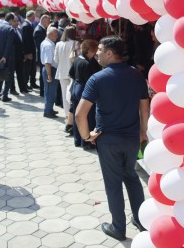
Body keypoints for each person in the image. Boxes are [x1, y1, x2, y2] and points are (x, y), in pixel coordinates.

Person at [75, 36, 149, 240]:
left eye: (99, 49)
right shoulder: (136, 75)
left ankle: (118, 227)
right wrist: (143, 131)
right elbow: (144, 106)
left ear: (109, 53)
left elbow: (80, 114)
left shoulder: (97, 78)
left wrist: (85, 136)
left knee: (113, 183)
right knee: (132, 178)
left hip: (108, 140)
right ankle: (142, 220)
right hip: (132, 138)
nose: (96, 52)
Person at [69, 39, 100, 148]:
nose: (95, 54)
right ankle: (86, 142)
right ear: (90, 51)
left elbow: (71, 73)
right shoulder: (88, 63)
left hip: (76, 88)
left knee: (77, 115)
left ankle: (78, 140)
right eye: (94, 51)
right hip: (85, 90)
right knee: (87, 116)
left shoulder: (77, 60)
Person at [54, 25, 79, 132]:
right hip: (72, 72)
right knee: (72, 96)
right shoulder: (75, 43)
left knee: (65, 96)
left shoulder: (58, 44)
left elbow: (55, 60)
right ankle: (72, 117)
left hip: (61, 72)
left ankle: (66, 116)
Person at [0, 13, 20, 102]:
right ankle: (5, 95)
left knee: (0, 73)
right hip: (8, 57)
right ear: (11, 20)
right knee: (9, 76)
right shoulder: (10, 29)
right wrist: (5, 56)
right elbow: (8, 45)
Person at [40, 27, 60, 117]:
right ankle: (48, 111)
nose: (57, 37)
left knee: (50, 91)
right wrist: (49, 75)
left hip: (50, 69)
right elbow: (48, 62)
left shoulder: (47, 43)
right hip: (50, 69)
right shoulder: (48, 45)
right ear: (51, 34)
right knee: (50, 91)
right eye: (56, 35)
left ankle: (49, 108)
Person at [33, 15, 50, 96]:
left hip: (43, 55)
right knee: (43, 73)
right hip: (42, 56)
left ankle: (43, 91)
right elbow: (40, 46)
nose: (49, 23)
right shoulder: (39, 30)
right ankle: (42, 91)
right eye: (48, 21)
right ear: (43, 21)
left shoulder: (42, 29)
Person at [20, 11, 36, 93]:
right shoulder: (26, 26)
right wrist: (27, 53)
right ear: (30, 17)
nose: (34, 18)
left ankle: (27, 84)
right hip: (28, 52)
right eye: (33, 16)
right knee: (26, 70)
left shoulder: (28, 25)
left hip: (30, 51)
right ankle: (24, 85)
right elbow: (25, 41)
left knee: (29, 69)